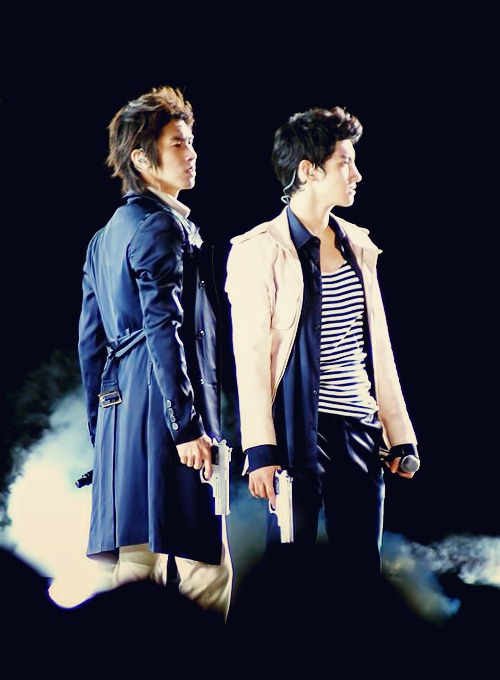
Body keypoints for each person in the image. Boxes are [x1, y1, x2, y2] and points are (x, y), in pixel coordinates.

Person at [225, 105, 419, 601]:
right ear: (308, 171)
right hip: (297, 432)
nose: (356, 174)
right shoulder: (258, 249)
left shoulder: (358, 244)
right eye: (344, 163)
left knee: (361, 571)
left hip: (359, 427)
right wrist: (261, 450)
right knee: (289, 569)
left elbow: (377, 348)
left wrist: (399, 435)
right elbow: (251, 359)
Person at [78, 85, 233, 620]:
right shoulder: (163, 224)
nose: (192, 153)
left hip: (121, 420)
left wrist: (101, 436)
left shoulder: (101, 240)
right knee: (205, 569)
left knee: (134, 567)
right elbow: (164, 327)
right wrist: (186, 425)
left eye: (191, 141)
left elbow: (90, 346)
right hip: (166, 414)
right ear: (143, 160)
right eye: (178, 143)